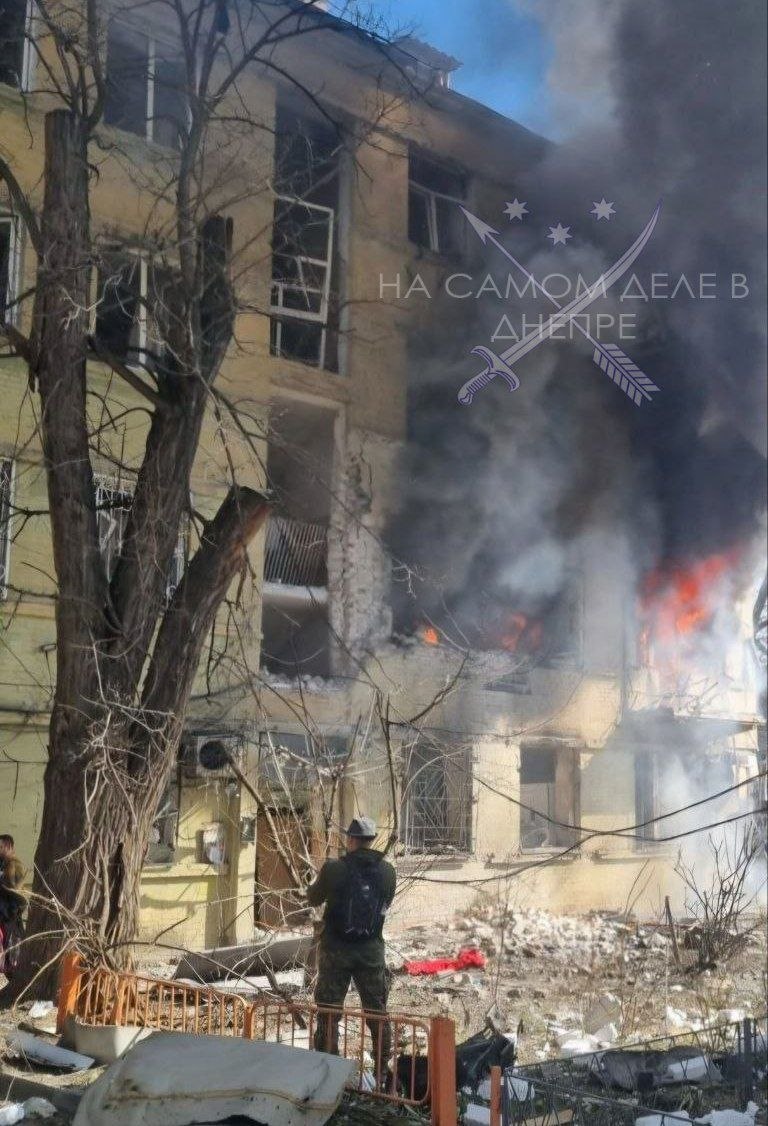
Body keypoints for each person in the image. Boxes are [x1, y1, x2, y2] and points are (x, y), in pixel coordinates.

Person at [307, 817, 396, 1079]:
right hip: (371, 952)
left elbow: (313, 898)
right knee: (377, 1012)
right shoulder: (388, 871)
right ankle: (382, 1071)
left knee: (329, 1011)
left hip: (336, 951)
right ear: (372, 840)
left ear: (351, 840)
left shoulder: (335, 869)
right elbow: (386, 903)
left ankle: (329, 1071)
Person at [0, 834, 26, 978]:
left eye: (0, 847)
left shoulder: (14, 865)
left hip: (9, 918)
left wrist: (9, 913)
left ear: (9, 846)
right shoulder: (4, 864)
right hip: (5, 917)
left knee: (12, 956)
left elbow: (18, 896)